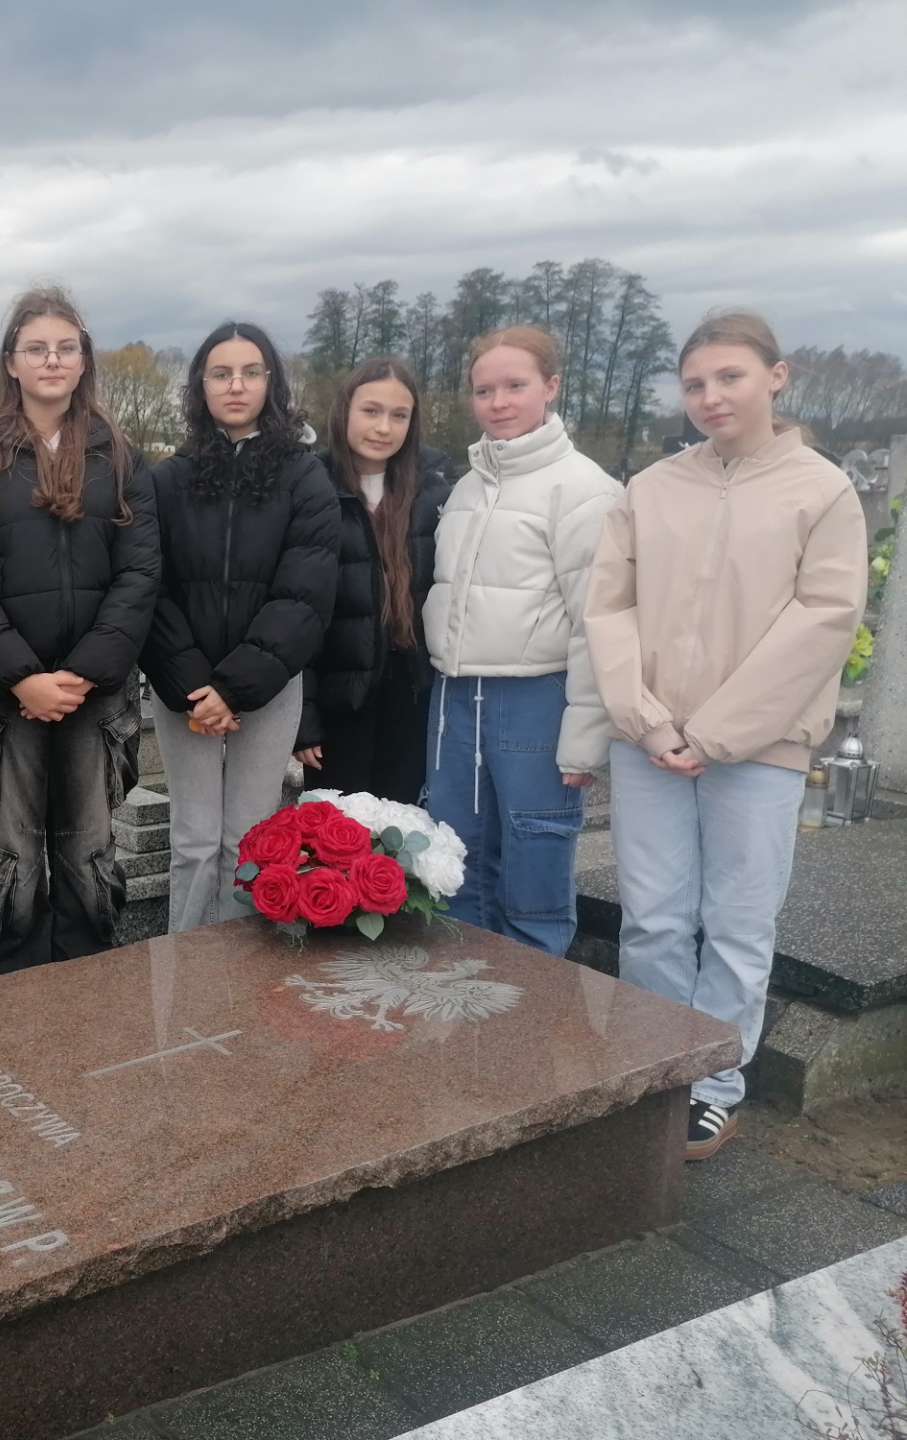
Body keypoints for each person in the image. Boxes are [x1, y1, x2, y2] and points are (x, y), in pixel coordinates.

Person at [586, 311, 865, 1161]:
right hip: (651, 741)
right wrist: (649, 720)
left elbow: (823, 619)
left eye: (730, 376)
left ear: (776, 376)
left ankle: (712, 1086)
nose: (711, 397)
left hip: (759, 747)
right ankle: (655, 1069)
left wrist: (714, 732)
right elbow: (609, 608)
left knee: (738, 922)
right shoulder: (652, 489)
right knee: (654, 920)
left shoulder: (822, 491)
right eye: (695, 383)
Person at [0, 286, 160, 973]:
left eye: (66, 348)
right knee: (10, 859)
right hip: (7, 702)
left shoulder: (120, 460)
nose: (52, 360)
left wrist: (85, 672)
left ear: (84, 360)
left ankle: (87, 998)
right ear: (11, 362)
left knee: (90, 853)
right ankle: (13, 991)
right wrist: (24, 678)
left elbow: (139, 574)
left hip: (97, 700)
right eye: (36, 349)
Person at [423, 326, 620, 957]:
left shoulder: (583, 489)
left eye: (515, 385)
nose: (499, 402)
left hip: (535, 698)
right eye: (484, 390)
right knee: (455, 855)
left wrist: (585, 738)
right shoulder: (467, 487)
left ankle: (535, 1002)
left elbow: (599, 620)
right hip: (458, 698)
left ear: (551, 387)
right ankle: (464, 992)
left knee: (535, 855)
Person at [142, 321, 338, 932]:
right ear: (200, 385)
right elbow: (149, 586)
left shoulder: (303, 477)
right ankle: (185, 969)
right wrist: (194, 687)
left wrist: (236, 687)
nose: (236, 385)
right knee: (194, 840)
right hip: (184, 687)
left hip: (270, 684)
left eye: (251, 372)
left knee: (250, 839)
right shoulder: (166, 480)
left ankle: (237, 974)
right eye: (221, 373)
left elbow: (304, 594)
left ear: (270, 382)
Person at [296, 357, 452, 804]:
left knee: (403, 830)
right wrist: (303, 719)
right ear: (344, 411)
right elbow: (295, 608)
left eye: (399, 415)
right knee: (337, 831)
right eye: (371, 411)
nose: (384, 427)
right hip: (339, 699)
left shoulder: (433, 492)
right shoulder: (312, 488)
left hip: (412, 694)